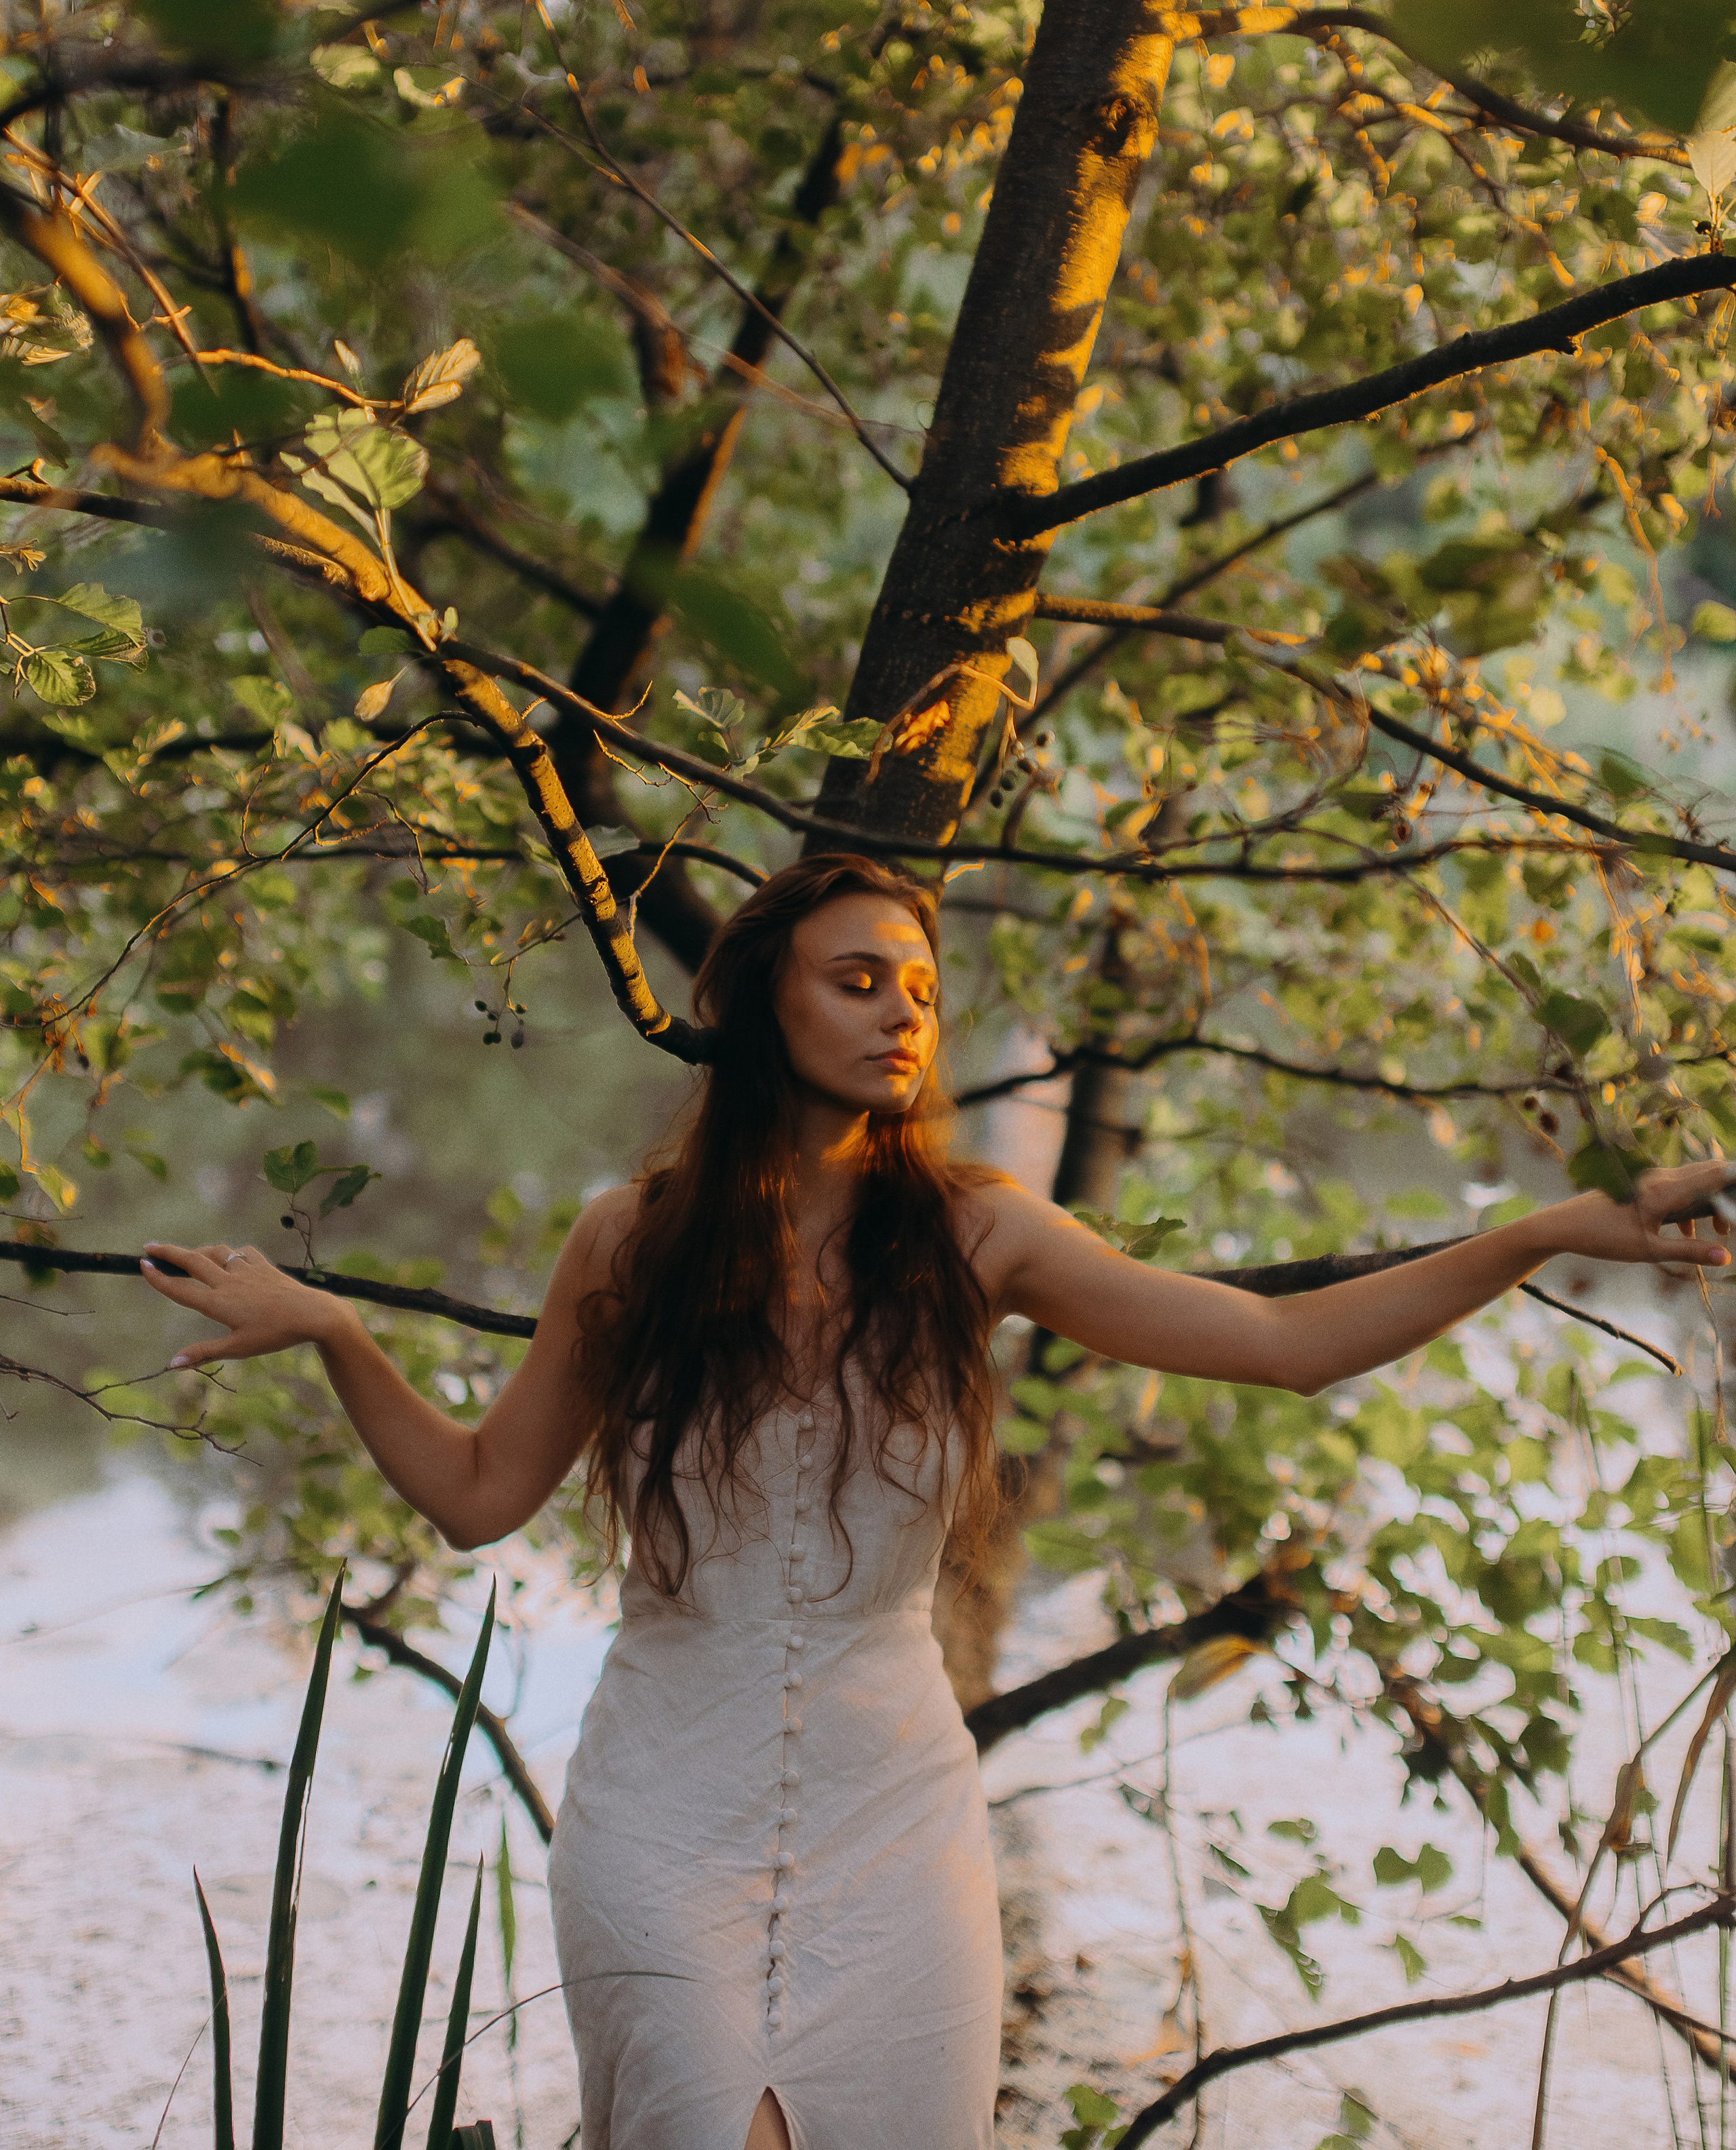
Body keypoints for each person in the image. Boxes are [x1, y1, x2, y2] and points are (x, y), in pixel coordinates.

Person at [137, 851, 1733, 2150]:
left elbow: (1283, 1345)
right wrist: (339, 1333)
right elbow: (481, 1496)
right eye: (855, 980)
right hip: (659, 1808)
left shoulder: (980, 1235)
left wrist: (1533, 1236)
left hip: (893, 1809)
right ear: (761, 1002)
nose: (903, 1014)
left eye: (919, 988)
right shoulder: (626, 1241)